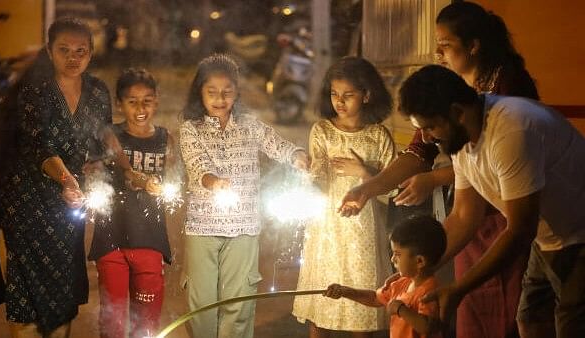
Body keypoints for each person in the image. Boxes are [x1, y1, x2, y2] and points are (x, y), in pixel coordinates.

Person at [340, 3, 539, 337]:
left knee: (509, 311)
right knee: (471, 308)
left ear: (473, 45)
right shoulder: (449, 99)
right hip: (472, 212)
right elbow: (422, 155)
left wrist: (433, 178)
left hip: (513, 214)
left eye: (445, 45)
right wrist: (368, 188)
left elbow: (504, 189)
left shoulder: (504, 102)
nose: (437, 53)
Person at [399, 65, 585, 338]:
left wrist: (459, 288)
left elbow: (521, 229)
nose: (426, 138)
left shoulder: (511, 130)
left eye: (430, 127)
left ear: (456, 112)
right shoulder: (461, 139)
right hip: (550, 236)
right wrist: (417, 270)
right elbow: (464, 216)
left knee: (571, 326)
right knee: (531, 320)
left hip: (579, 234)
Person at [0, 18, 113, 337]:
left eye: (81, 51)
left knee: (61, 283)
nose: (73, 58)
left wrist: (97, 168)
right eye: (64, 50)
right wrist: (66, 179)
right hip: (26, 198)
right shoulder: (36, 90)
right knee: (28, 286)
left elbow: (101, 143)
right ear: (49, 51)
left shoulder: (98, 91)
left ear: (92, 52)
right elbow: (38, 144)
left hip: (66, 202)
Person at [179, 54, 308, 338]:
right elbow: (197, 163)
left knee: (239, 302)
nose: (220, 99)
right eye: (211, 92)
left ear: (236, 92)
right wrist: (213, 182)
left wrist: (296, 154)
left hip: (244, 227)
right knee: (202, 303)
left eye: (227, 92)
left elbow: (275, 143)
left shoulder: (251, 126)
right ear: (199, 92)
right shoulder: (191, 129)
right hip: (203, 227)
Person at [291, 56, 396, 338]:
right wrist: (306, 185)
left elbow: (394, 183)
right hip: (327, 226)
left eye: (348, 95)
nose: (340, 101)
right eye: (335, 94)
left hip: (362, 230)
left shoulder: (377, 135)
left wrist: (364, 171)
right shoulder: (322, 130)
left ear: (366, 95)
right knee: (322, 299)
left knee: (359, 303)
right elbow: (317, 176)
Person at [88, 68, 179, 338]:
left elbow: (175, 181)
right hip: (111, 240)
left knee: (146, 325)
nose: (140, 107)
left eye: (147, 100)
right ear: (119, 103)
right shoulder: (109, 136)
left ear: (157, 101)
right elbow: (112, 169)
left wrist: (165, 187)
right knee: (113, 323)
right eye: (132, 101)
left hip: (150, 242)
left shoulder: (166, 140)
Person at [324, 215, 445, 338]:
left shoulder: (431, 291)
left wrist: (401, 309)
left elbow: (428, 327)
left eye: (397, 254)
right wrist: (345, 291)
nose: (393, 259)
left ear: (419, 261)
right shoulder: (401, 283)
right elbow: (374, 298)